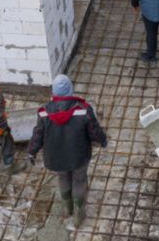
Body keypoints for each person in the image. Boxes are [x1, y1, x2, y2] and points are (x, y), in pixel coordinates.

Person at [27, 74, 107, 230]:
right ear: (70, 89)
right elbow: (94, 131)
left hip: (55, 157)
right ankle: (78, 212)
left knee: (63, 177)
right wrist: (102, 140)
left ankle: (66, 207)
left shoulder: (44, 112)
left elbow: (38, 134)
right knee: (79, 180)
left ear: (54, 92)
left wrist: (31, 151)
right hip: (78, 155)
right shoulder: (83, 109)